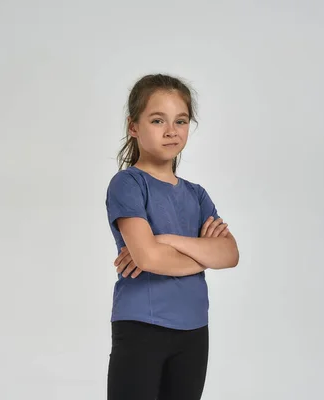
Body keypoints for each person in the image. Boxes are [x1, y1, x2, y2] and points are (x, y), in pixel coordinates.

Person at [105, 74, 239, 400]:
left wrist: (166, 240)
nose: (171, 131)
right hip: (143, 326)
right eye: (157, 120)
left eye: (180, 121)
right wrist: (202, 252)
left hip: (194, 330)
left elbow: (229, 255)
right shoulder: (128, 184)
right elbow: (148, 258)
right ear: (133, 126)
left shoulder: (197, 194)